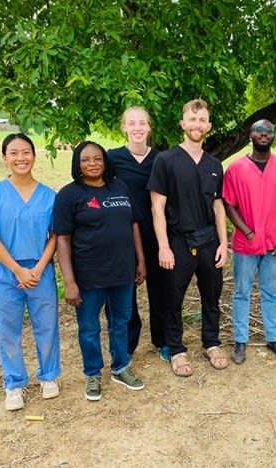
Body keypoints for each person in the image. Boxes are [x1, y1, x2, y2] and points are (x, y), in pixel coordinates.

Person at [0, 133, 60, 411]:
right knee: (7, 329)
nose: (20, 158)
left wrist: (36, 268)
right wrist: (17, 270)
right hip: (4, 272)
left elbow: (55, 237)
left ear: (35, 156)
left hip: (39, 270)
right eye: (14, 153)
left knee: (46, 325)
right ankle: (15, 383)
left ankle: (49, 376)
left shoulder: (49, 196)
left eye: (26, 152)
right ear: (4, 159)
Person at [54, 141, 147, 400]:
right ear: (77, 164)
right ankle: (93, 373)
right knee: (89, 328)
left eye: (97, 158)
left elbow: (134, 225)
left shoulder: (119, 186)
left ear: (105, 161)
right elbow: (62, 239)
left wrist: (140, 261)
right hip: (88, 276)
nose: (92, 163)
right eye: (86, 160)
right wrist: (69, 282)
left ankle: (121, 367)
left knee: (120, 322)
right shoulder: (69, 195)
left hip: (122, 272)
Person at [148, 98, 228, 377]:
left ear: (209, 126)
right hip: (178, 241)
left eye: (202, 120)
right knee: (173, 299)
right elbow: (157, 206)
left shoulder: (214, 164)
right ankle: (177, 349)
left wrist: (224, 243)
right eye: (192, 120)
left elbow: (218, 206)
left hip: (209, 241)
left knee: (212, 296)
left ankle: (212, 342)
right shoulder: (166, 160)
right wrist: (164, 247)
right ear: (183, 124)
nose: (197, 125)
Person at [223, 120, 276, 364]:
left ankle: (273, 338)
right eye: (259, 130)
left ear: (274, 136)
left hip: (275, 245)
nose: (264, 134)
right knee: (241, 292)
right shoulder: (236, 169)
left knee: (270, 292)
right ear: (250, 135)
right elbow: (228, 203)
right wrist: (246, 231)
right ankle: (240, 341)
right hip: (246, 246)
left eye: (269, 131)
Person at [107, 107, 170, 362]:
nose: (137, 128)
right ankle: (128, 343)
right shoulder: (112, 159)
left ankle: (162, 340)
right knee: (125, 294)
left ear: (149, 127)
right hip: (124, 236)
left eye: (142, 123)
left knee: (161, 290)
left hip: (156, 234)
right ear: (123, 127)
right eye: (131, 123)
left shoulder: (161, 159)